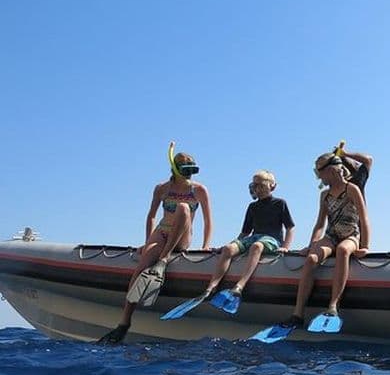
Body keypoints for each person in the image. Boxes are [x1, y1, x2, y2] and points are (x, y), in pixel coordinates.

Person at [98, 143, 212, 343]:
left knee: (184, 208)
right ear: (175, 169)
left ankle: (164, 259)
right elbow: (151, 216)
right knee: (144, 262)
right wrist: (148, 241)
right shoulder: (162, 188)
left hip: (182, 235)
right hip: (162, 231)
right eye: (185, 170)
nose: (189, 175)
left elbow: (208, 220)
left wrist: (205, 246)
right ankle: (124, 322)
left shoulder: (199, 190)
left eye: (192, 171)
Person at [283, 152, 371, 329]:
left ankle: (333, 306)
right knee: (311, 259)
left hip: (351, 235)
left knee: (343, 251)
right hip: (331, 236)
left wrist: (365, 246)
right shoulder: (324, 195)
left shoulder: (352, 189)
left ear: (330, 171)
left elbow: (363, 218)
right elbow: (320, 224)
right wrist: (312, 245)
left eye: (319, 173)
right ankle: (297, 314)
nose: (318, 177)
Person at [203, 170, 295, 311]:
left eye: (261, 185)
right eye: (255, 185)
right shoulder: (253, 207)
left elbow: (290, 227)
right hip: (254, 236)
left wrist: (285, 246)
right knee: (229, 249)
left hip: (271, 239)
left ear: (272, 186)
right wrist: (228, 246)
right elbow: (245, 233)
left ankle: (240, 286)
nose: (258, 189)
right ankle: (212, 286)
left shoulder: (280, 203)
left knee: (256, 246)